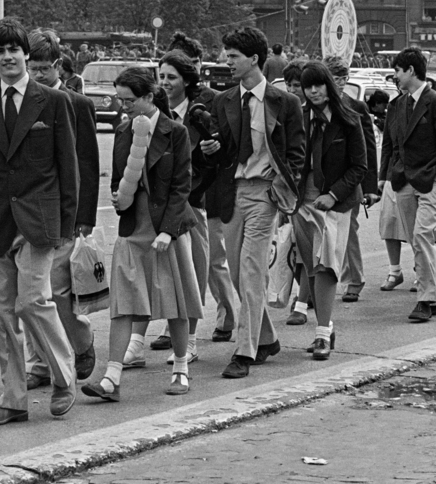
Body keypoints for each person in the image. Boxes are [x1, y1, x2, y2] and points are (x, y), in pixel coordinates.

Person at [0, 17, 81, 424]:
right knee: (4, 312)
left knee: (32, 301)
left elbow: (68, 168)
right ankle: (13, 398)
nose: (8, 57)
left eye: (14, 50)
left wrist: (67, 223)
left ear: (26, 53)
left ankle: (64, 377)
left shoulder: (54, 102)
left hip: (39, 222)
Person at [84, 66, 201, 400]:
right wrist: (117, 198)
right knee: (124, 304)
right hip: (133, 228)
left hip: (167, 230)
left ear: (150, 97)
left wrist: (168, 231)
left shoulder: (175, 132)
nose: (125, 106)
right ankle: (111, 377)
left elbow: (181, 186)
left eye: (130, 100)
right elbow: (119, 176)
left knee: (175, 303)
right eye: (121, 100)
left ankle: (181, 369)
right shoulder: (123, 131)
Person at [202, 26, 304, 378]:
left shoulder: (285, 103)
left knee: (250, 271)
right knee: (235, 269)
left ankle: (244, 352)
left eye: (233, 57)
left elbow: (296, 154)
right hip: (232, 193)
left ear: (254, 59)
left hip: (264, 194)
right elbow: (220, 149)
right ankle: (268, 338)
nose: (225, 62)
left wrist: (281, 184)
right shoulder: (224, 100)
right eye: (226, 55)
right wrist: (210, 150)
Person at [21, 32, 99, 389]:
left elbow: (84, 161)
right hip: (28, 210)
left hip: (64, 211)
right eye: (31, 68)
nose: (36, 74)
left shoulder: (77, 104)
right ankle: (38, 363)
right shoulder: (21, 101)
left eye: (42, 68)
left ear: (57, 66)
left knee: (59, 289)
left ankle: (82, 342)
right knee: (31, 292)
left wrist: (84, 216)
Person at [153, 50, 236, 358]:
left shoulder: (199, 114)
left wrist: (209, 153)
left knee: (199, 270)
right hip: (162, 206)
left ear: (187, 81)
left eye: (171, 77)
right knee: (165, 274)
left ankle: (192, 341)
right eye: (161, 77)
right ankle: (167, 331)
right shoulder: (157, 112)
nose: (165, 83)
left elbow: (219, 160)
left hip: (196, 201)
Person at [293, 61, 368, 355]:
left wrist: (334, 195)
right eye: (307, 86)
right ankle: (324, 329)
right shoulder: (298, 117)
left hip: (336, 203)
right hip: (302, 200)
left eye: (318, 85)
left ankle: (323, 333)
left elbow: (359, 166)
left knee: (327, 266)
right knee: (310, 267)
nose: (313, 91)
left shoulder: (349, 117)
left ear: (329, 85)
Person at [381, 47, 436, 323]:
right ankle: (432, 297)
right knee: (416, 240)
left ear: (411, 71)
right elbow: (390, 144)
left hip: (429, 180)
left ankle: (425, 299)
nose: (395, 77)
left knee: (422, 236)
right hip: (403, 179)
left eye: (398, 71)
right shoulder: (397, 104)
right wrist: (387, 175)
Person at [325, 58, 380, 303]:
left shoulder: (356, 107)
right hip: (321, 181)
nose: (337, 83)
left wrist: (370, 188)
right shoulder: (314, 105)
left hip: (350, 180)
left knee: (349, 234)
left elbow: (368, 149)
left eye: (341, 78)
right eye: (332, 78)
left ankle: (354, 280)